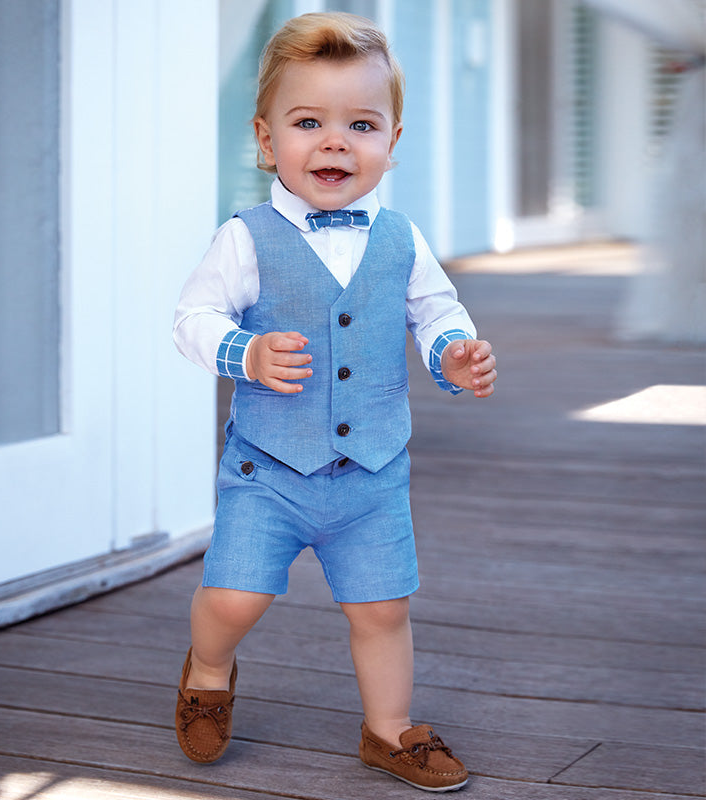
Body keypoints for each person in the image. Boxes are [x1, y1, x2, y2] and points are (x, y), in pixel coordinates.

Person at [173, 11, 497, 792]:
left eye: (361, 124)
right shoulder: (245, 238)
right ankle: (208, 669)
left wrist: (454, 355)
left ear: (392, 141)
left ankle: (389, 730)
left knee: (382, 610)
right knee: (234, 595)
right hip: (271, 468)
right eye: (308, 121)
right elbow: (193, 320)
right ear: (265, 138)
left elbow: (436, 312)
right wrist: (243, 351)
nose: (334, 142)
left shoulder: (402, 238)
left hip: (373, 471)